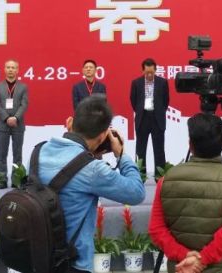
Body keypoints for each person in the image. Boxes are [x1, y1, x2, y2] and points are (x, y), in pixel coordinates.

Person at [37, 95, 145, 273]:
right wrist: (120, 154)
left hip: (38, 258)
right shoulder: (93, 169)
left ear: (70, 122)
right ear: (102, 136)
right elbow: (136, 193)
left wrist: (89, 154)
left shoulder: (38, 152)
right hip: (73, 263)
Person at [149, 112, 222, 273]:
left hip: (181, 268)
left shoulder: (166, 180)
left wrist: (184, 255)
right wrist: (202, 260)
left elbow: (156, 230)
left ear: (190, 144)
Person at [129, 58, 170, 175]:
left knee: (159, 150)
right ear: (143, 71)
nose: (149, 75)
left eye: (152, 72)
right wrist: (140, 111)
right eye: (147, 72)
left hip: (157, 119)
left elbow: (166, 101)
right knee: (140, 150)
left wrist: (159, 112)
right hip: (142, 118)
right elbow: (133, 100)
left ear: (155, 70)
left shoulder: (163, 82)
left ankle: (159, 177)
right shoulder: (136, 83)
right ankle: (140, 176)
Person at [0, 59, 28, 188]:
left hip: (18, 124)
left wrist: (16, 118)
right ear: (4, 69)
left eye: (13, 67)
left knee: (17, 154)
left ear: (17, 70)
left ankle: (16, 179)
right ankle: (2, 179)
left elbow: (24, 104)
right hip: (2, 124)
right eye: (8, 67)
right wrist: (7, 118)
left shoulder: (23, 87)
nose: (10, 70)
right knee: (2, 154)